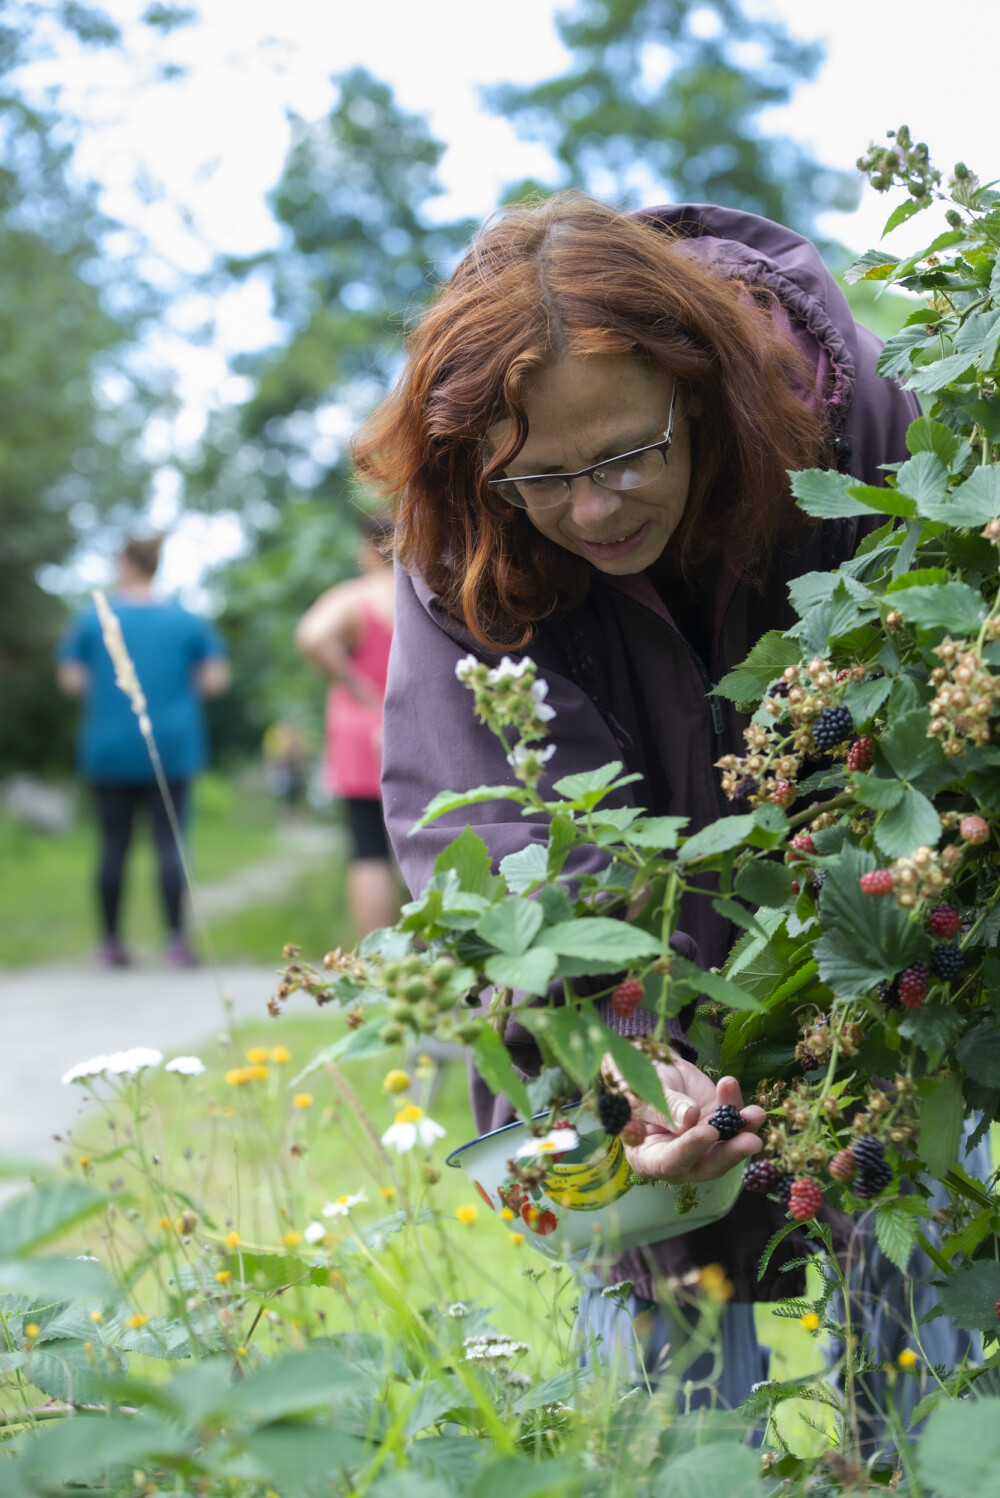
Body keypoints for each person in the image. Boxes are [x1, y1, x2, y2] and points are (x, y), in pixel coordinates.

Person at [350, 196, 928, 1412]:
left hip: (860, 967)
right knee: (658, 1396)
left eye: (624, 454)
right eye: (542, 479)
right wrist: (603, 1058)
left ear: (701, 391)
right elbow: (485, 841)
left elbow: (931, 717)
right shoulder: (459, 529)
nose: (595, 509)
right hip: (599, 1011)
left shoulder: (848, 417)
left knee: (926, 1336)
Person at [57, 534, 229, 967]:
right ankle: (175, 942)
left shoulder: (93, 619)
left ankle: (111, 943)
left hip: (109, 747)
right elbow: (215, 681)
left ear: (125, 563)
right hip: (171, 745)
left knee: (113, 843)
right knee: (170, 841)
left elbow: (71, 681)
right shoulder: (186, 620)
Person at [295, 514, 397, 939]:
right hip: (412, 725)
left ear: (369, 548)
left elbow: (312, 635)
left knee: (368, 846)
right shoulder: (425, 595)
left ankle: (380, 964)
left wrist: (352, 682)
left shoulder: (356, 598)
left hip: (362, 728)